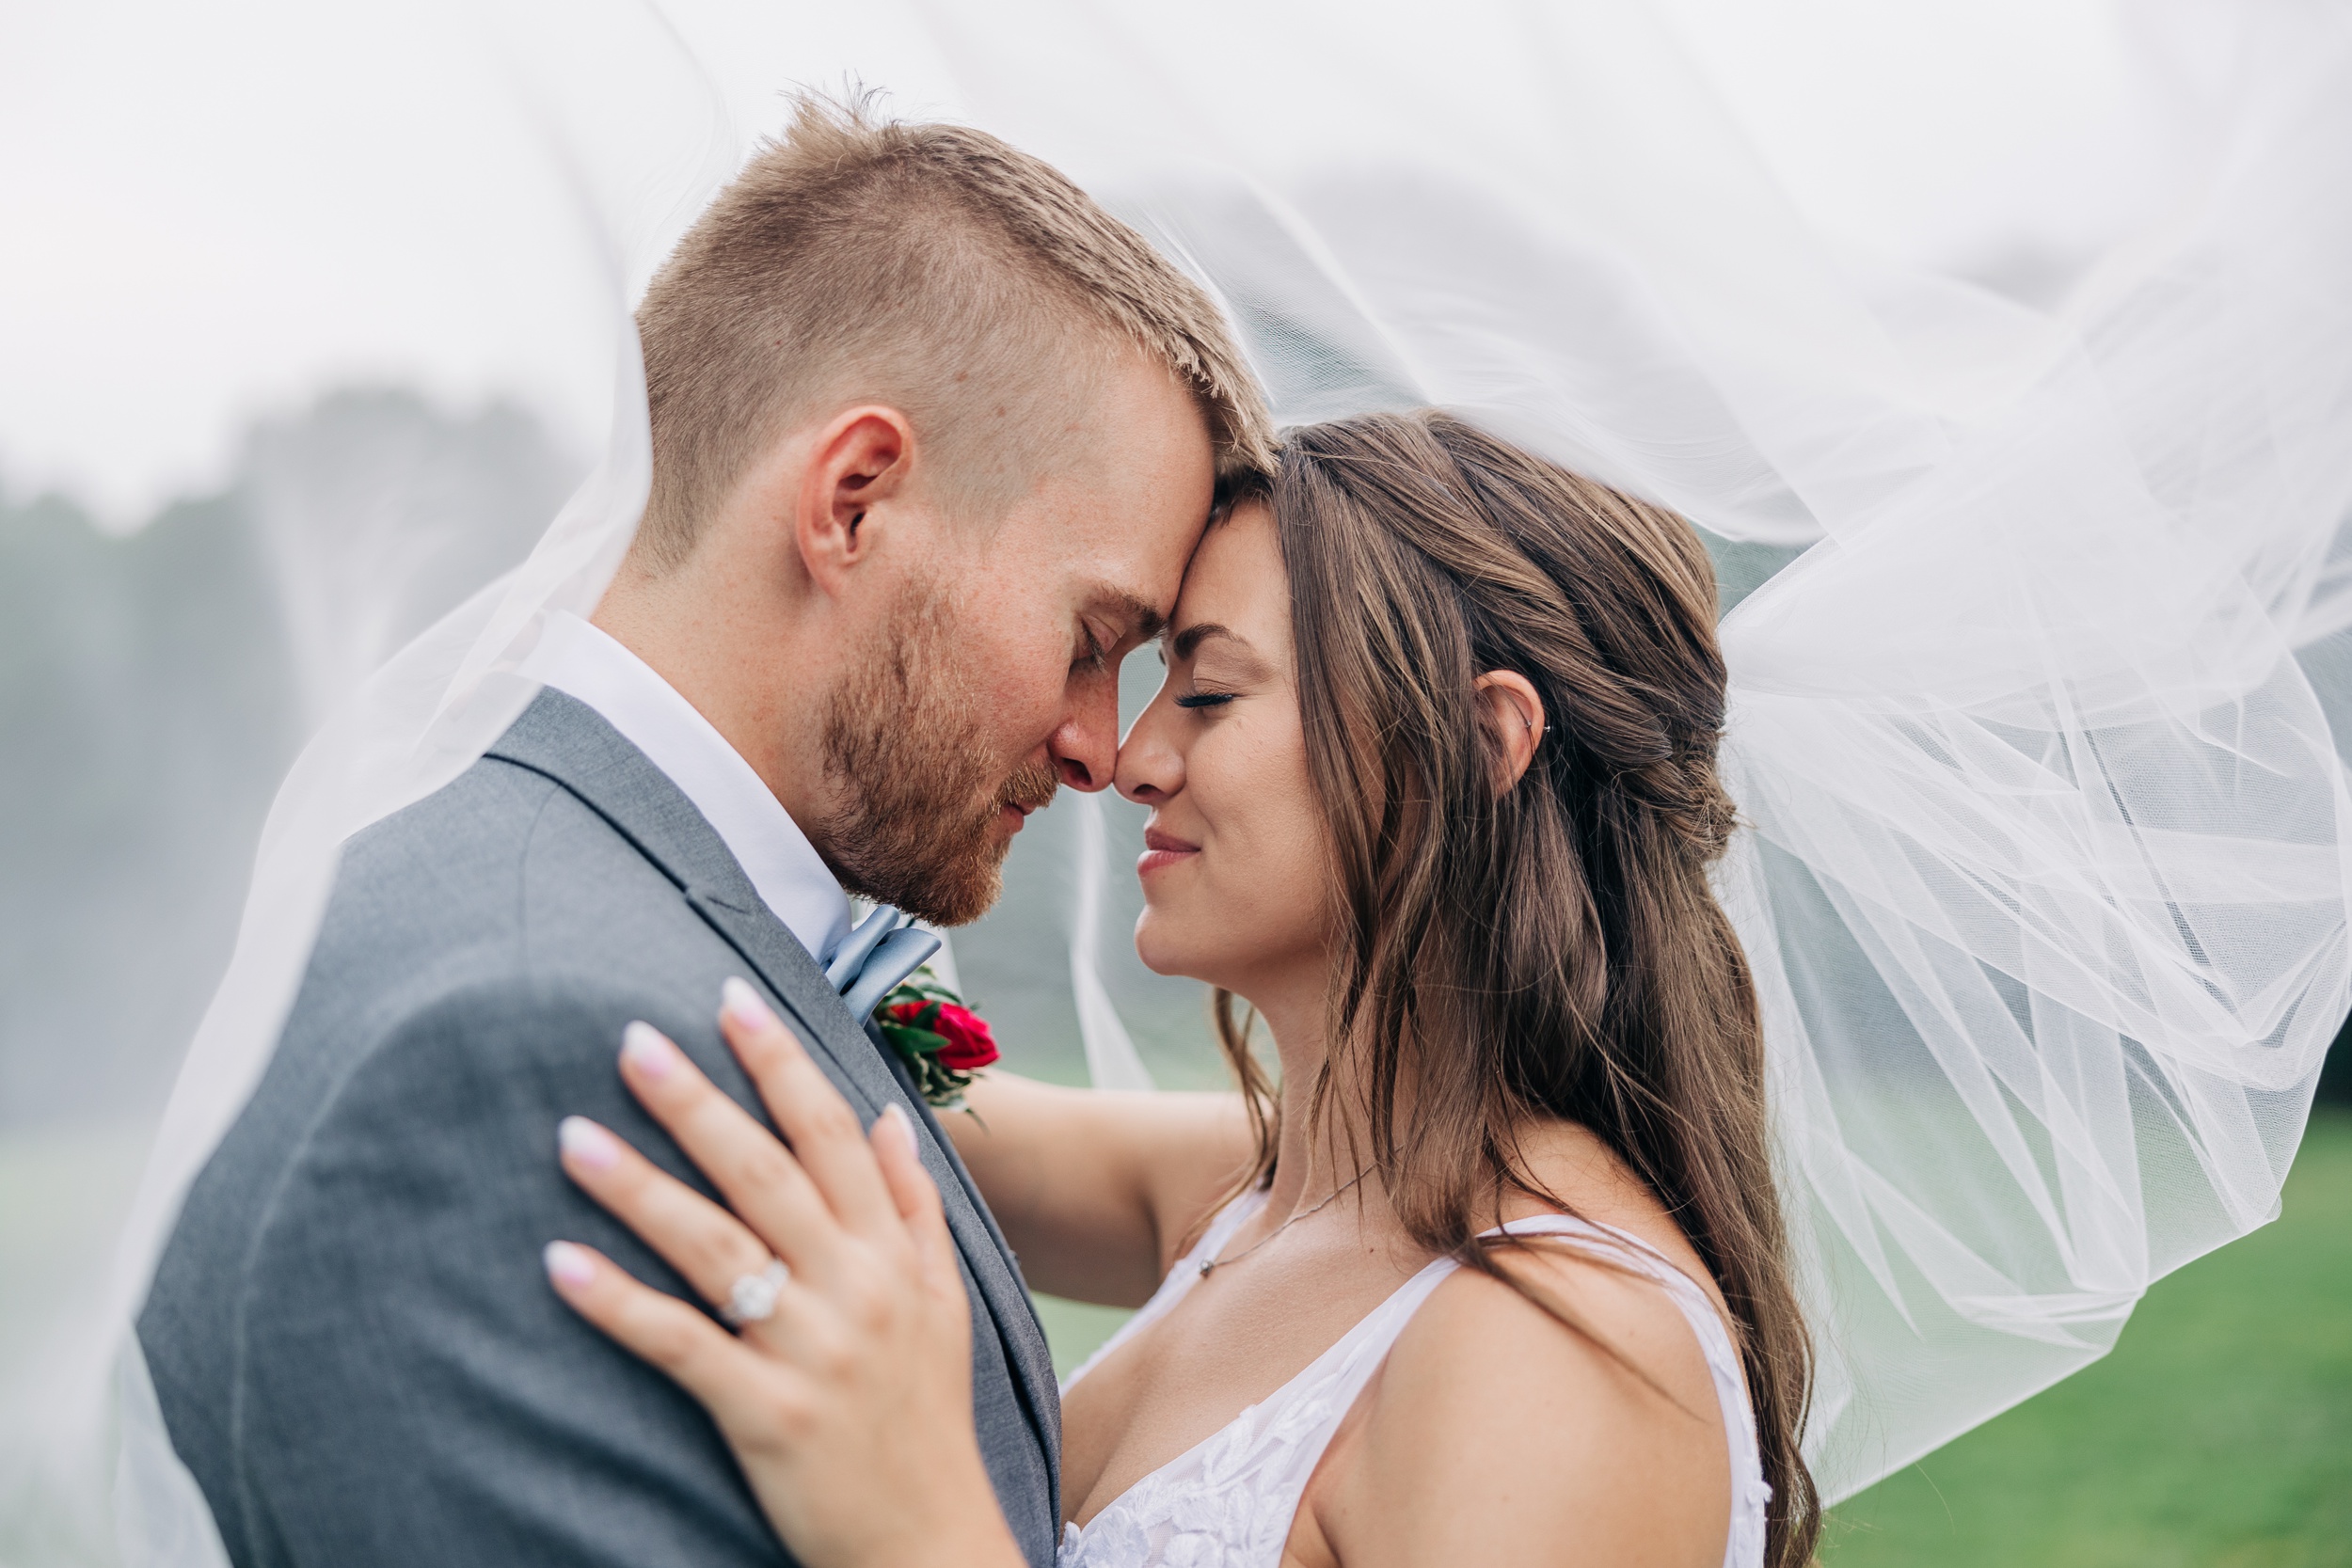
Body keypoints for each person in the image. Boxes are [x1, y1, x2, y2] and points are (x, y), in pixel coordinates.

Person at [134, 96, 1271, 1568]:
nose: (1099, 744)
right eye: (1090, 635)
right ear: (853, 503)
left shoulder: (603, 905)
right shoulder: (530, 1054)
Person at [545, 410, 1817, 1568]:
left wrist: (910, 1521)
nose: (1134, 757)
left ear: (1478, 746)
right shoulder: (1264, 1190)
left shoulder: (1561, 1352)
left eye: (1209, 691)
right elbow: (878, 1097)